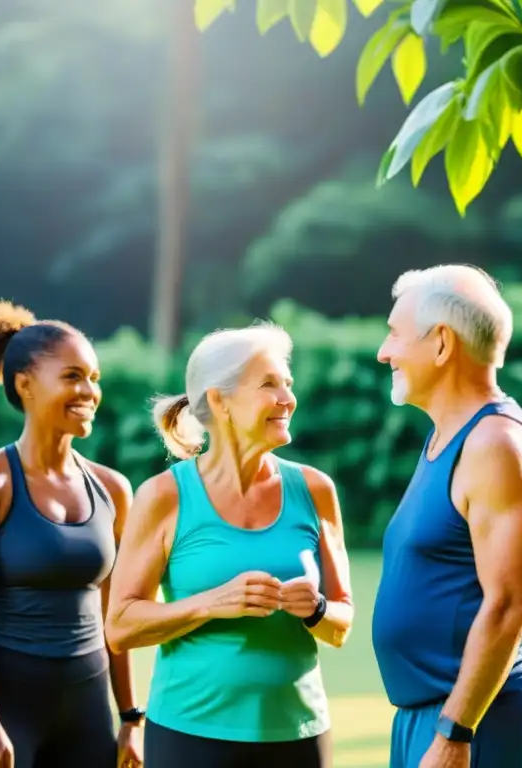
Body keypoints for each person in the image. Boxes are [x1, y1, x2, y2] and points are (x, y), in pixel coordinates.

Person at [104, 323, 353, 768]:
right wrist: (212, 603)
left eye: (288, 384)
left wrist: (315, 607)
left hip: (298, 734)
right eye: (269, 385)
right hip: (190, 735)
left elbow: (341, 622)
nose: (287, 399)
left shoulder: (315, 490)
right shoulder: (164, 496)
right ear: (219, 401)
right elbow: (121, 626)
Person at [371, 264, 522, 768]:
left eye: (393, 334)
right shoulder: (446, 438)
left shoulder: (496, 446)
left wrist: (455, 731)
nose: (383, 352)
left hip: (477, 723)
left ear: (440, 344)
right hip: (431, 717)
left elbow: (508, 605)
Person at [0, 300, 143, 768]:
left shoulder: (113, 488)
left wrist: (131, 717)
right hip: (6, 705)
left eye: (94, 378)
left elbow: (118, 614)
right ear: (25, 384)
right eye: (72, 376)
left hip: (87, 705)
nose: (89, 391)